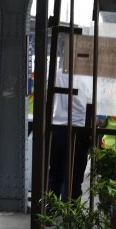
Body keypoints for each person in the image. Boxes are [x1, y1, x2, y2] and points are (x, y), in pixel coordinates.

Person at [48, 70, 92, 201]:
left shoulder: (57, 74)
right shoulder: (88, 76)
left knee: (54, 174)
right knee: (73, 176)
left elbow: (48, 96)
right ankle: (70, 215)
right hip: (78, 131)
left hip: (56, 128)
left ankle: (49, 211)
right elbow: (92, 102)